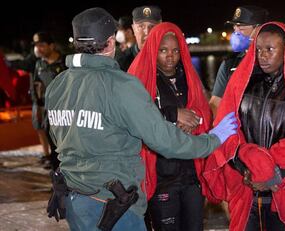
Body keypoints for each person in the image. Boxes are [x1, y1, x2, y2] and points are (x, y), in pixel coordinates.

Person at [45, 7, 237, 231]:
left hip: (74, 199)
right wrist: (213, 139)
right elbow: (165, 141)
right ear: (110, 42)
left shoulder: (57, 85)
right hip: (112, 205)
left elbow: (56, 138)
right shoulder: (121, 85)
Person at [203, 22, 285, 231]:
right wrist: (246, 168)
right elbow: (228, 129)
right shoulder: (243, 83)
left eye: (270, 49)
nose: (262, 55)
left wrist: (276, 174)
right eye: (259, 49)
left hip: (283, 188)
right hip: (245, 190)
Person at [128, 22, 216, 231]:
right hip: (161, 175)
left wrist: (193, 122)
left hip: (191, 173)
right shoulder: (139, 78)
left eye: (176, 50)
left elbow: (204, 111)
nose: (170, 56)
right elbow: (133, 117)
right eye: (164, 50)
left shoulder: (189, 78)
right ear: (153, 50)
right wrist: (173, 115)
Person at [209, 5, 268, 116]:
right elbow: (215, 103)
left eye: (241, 27)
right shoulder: (229, 64)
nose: (236, 31)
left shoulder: (273, 62)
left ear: (259, 29)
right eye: (234, 27)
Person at [31, 32, 65, 169]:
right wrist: (38, 106)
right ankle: (56, 174)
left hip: (64, 112)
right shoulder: (39, 64)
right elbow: (36, 85)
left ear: (52, 46)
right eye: (36, 46)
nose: (38, 49)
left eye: (42, 45)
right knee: (51, 143)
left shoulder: (65, 62)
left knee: (64, 146)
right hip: (47, 111)